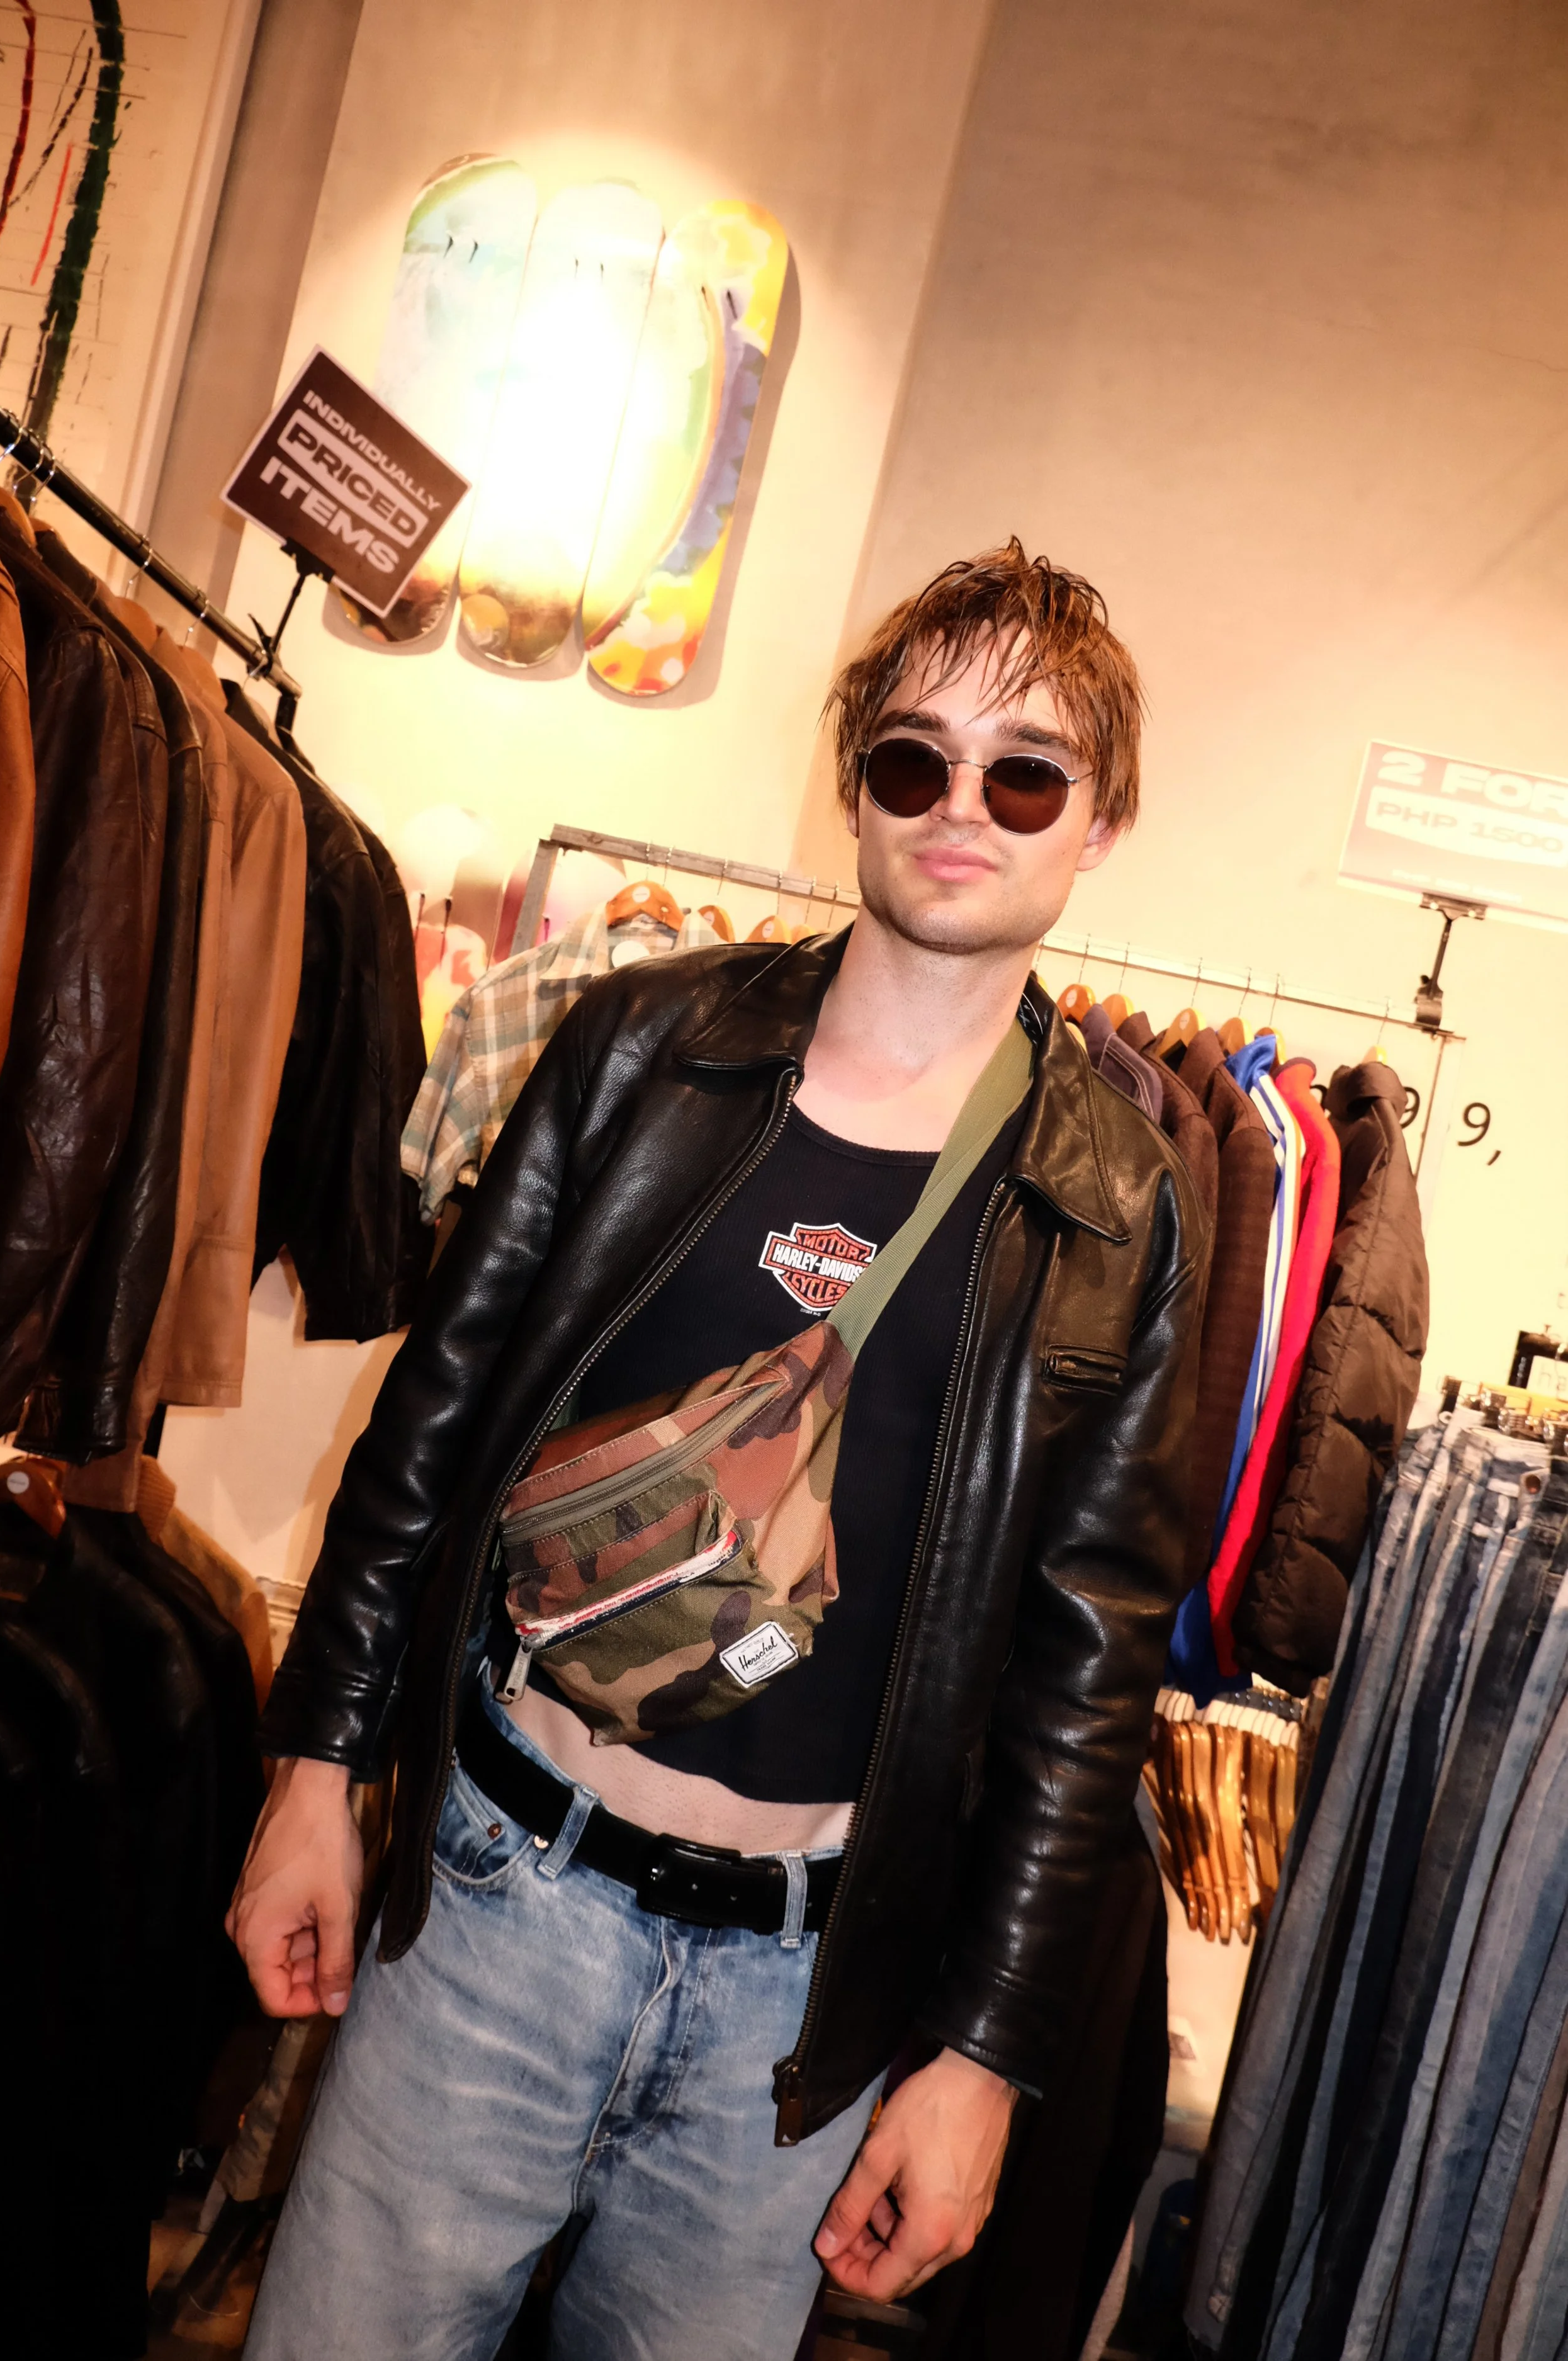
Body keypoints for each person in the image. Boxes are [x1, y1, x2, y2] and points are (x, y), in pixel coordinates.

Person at [234, 539, 1207, 2361]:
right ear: (855, 781)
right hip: (500, 1903)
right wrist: (314, 1768)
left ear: (1099, 817)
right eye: (913, 758)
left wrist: (982, 2054)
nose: (958, 810)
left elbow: (1087, 1679)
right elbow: (428, 1429)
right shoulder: (643, 1050)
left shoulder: (1118, 1201)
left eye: (1024, 771)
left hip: (799, 2002)